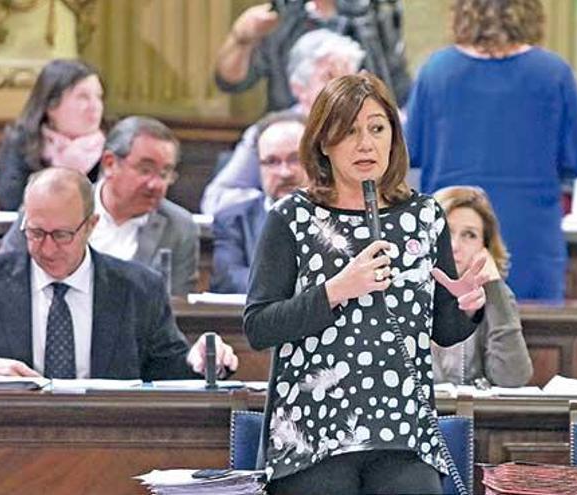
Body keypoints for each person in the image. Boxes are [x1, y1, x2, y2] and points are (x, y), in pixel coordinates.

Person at [244, 73, 487, 495]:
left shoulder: (425, 217)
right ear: (323, 142)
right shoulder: (292, 218)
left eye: (377, 128)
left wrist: (466, 307)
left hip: (403, 431)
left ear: (394, 137)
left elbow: (443, 331)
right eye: (350, 131)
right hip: (313, 433)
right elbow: (259, 325)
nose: (365, 144)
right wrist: (336, 290)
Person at [406, 0, 577, 301]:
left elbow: (410, 150)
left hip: (453, 235)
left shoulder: (436, 71)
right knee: (533, 338)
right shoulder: (554, 73)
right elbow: (576, 159)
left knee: (449, 332)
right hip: (531, 239)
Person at [0, 168, 237, 380]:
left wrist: (203, 360)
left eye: (62, 235)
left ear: (90, 226)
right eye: (36, 233)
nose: (48, 248)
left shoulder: (140, 288)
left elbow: (170, 370)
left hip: (108, 430)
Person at [1, 116, 200, 297]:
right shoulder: (49, 205)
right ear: (110, 163)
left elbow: (174, 308)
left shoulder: (179, 227)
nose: (155, 184)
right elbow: (5, 278)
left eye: (165, 173)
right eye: (145, 169)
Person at [202, 28, 365, 215]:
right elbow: (215, 200)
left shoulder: (372, 131)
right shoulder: (271, 133)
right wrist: (274, 199)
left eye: (349, 79)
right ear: (299, 88)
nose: (343, 90)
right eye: (329, 77)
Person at [214, 0, 411, 111]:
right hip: (293, 133)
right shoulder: (281, 14)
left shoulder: (375, 13)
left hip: (357, 127)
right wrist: (241, 39)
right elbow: (232, 82)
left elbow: (397, 88)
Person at [431, 186, 532, 387]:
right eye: (445, 232)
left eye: (469, 235)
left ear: (484, 247)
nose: (454, 245)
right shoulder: (401, 291)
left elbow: (512, 378)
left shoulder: (495, 296)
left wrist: (493, 286)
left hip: (473, 416)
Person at [211, 111, 307, 293]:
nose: (285, 172)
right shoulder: (234, 219)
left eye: (295, 159)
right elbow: (228, 279)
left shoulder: (341, 215)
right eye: (272, 162)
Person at [0, 59, 105, 211]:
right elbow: (10, 203)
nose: (95, 106)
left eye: (98, 96)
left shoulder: (112, 149)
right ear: (51, 105)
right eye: (83, 97)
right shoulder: (21, 144)